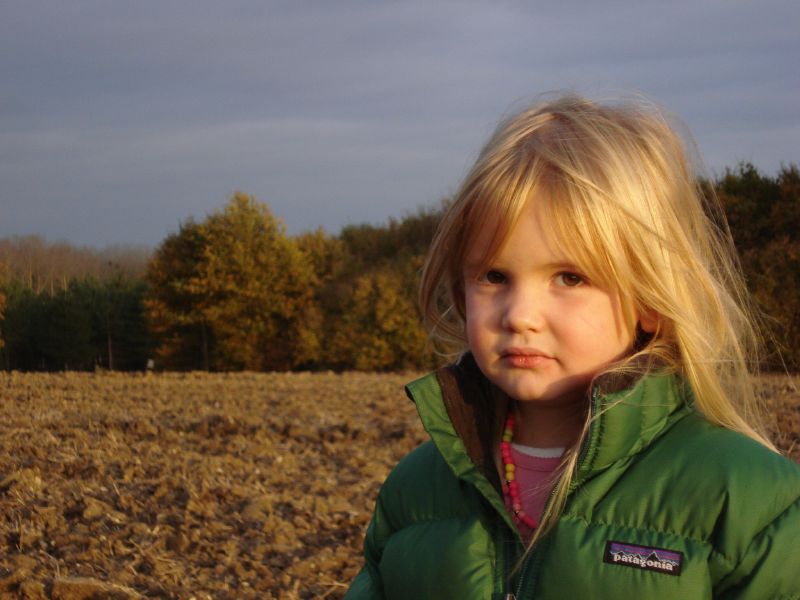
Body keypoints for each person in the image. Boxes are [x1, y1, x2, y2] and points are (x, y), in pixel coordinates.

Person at [345, 95, 800, 599]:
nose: (519, 314)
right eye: (494, 276)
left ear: (650, 299)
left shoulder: (745, 498)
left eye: (569, 277)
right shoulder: (416, 491)